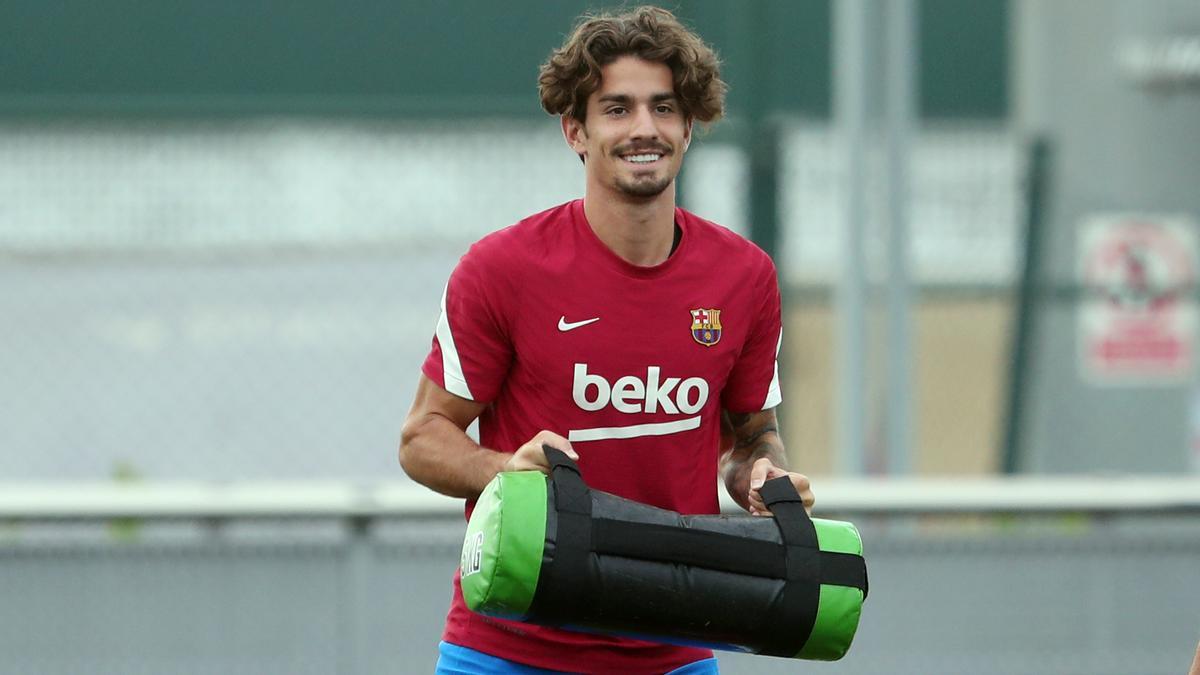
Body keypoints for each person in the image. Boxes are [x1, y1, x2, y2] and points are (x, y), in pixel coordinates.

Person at [399, 6, 814, 674]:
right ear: (577, 131)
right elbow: (422, 438)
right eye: (617, 108)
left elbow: (749, 436)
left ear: (689, 126)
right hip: (508, 647)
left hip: (674, 646)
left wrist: (761, 476)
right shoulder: (503, 268)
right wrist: (504, 467)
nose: (644, 128)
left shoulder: (745, 277)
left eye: (665, 107)